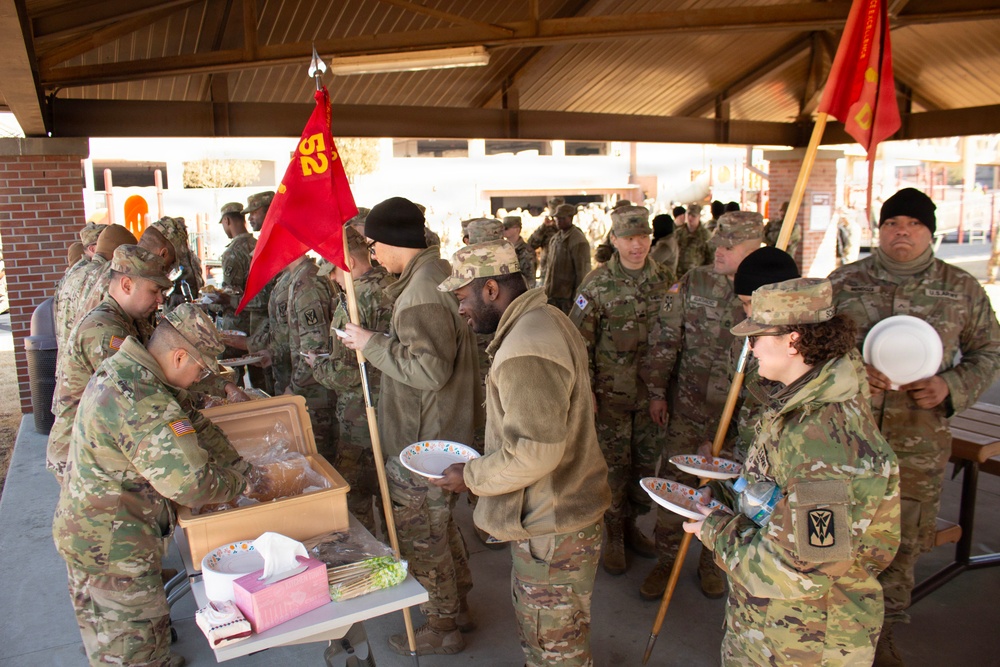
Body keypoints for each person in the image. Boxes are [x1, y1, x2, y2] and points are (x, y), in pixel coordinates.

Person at [684, 277, 901, 666]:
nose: (749, 348)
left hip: (805, 644)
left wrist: (712, 528)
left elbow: (798, 570)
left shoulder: (823, 445)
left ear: (793, 340)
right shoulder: (800, 403)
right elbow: (781, 497)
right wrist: (726, 496)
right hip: (773, 628)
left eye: (757, 336)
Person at [828, 187, 1000, 665]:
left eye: (913, 224)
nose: (901, 231)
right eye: (891, 223)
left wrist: (953, 386)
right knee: (838, 528)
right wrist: (852, 375)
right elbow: (809, 347)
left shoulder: (962, 289)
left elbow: (991, 350)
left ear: (930, 232)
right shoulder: (844, 282)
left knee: (902, 539)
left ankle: (882, 633)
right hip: (849, 436)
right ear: (879, 231)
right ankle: (835, 626)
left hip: (919, 441)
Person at [52, 304, 262, 667]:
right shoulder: (143, 400)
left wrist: (238, 465)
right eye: (200, 369)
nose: (200, 379)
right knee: (131, 651)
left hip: (99, 531)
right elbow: (192, 484)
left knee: (127, 638)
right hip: (112, 546)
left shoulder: (135, 371)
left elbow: (194, 423)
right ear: (180, 355)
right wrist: (242, 485)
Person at [434, 239, 610, 667]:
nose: (461, 309)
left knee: (553, 650)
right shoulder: (546, 318)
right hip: (564, 517)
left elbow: (534, 453)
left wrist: (470, 476)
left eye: (462, 297)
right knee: (561, 635)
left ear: (491, 289)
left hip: (552, 530)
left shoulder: (525, 347)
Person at [341, 196, 481, 656]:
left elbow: (429, 371)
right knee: (439, 528)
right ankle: (456, 605)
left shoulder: (420, 293)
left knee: (421, 537)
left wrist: (372, 344)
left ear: (393, 241)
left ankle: (442, 627)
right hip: (437, 434)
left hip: (423, 443)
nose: (373, 254)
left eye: (374, 244)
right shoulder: (429, 275)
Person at [641, 211, 764, 600]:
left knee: (729, 494)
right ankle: (665, 558)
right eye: (718, 243)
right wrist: (657, 391)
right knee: (674, 488)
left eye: (729, 246)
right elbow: (665, 339)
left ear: (754, 248)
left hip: (739, 421)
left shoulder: (770, 292)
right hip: (688, 410)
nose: (719, 251)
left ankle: (714, 561)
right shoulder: (695, 281)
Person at [570, 205, 674, 574]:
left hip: (651, 396)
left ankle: (632, 526)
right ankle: (612, 532)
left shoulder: (666, 279)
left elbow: (674, 337)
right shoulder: (596, 285)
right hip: (610, 397)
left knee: (645, 465)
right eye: (629, 238)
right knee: (613, 469)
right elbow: (579, 344)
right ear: (614, 240)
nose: (637, 245)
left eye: (643, 237)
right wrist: (588, 394)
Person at [47, 245, 173, 482]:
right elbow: (138, 399)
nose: (160, 299)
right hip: (81, 457)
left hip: (100, 442)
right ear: (126, 285)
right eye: (155, 290)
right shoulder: (104, 332)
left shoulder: (129, 319)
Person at [306, 226, 396, 533]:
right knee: (394, 501)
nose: (331, 278)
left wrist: (316, 365)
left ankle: (372, 557)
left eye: (332, 270)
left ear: (349, 263)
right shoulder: (393, 285)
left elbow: (347, 374)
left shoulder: (355, 302)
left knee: (354, 500)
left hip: (360, 416)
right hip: (397, 412)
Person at [284, 253, 337, 460]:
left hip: (315, 394)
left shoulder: (307, 283)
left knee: (321, 460)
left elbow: (315, 348)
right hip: (312, 390)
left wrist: (294, 387)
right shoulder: (301, 277)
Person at [541, 203, 592, 313]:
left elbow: (583, 273)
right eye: (557, 218)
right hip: (552, 296)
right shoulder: (555, 239)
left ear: (570, 218)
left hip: (568, 300)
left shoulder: (578, 240)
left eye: (562, 218)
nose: (558, 221)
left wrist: (579, 301)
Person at [674, 202, 714, 278]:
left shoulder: (706, 235)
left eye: (693, 216)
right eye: (688, 215)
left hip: (697, 276)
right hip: (678, 275)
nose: (690, 218)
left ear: (699, 217)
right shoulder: (678, 233)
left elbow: (711, 258)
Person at [503, 215, 537, 287]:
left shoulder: (526, 251)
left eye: (506, 228)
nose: (503, 230)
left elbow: (530, 279)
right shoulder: (502, 249)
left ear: (517, 229)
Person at [763, 201, 802, 265]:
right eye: (781, 210)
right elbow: (762, 237)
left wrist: (769, 235)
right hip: (771, 258)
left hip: (786, 260)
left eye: (785, 211)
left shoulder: (795, 227)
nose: (782, 213)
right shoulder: (773, 223)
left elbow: (783, 239)